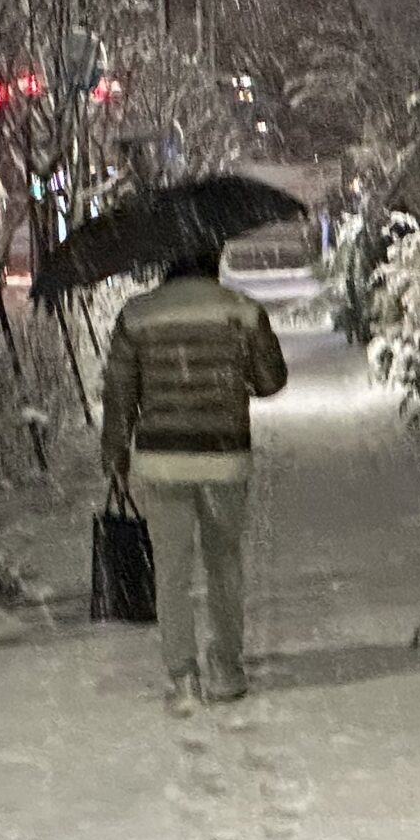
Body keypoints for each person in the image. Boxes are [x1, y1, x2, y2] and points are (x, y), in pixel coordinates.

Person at [100, 243, 290, 712]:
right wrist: (234, 372)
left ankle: (183, 676)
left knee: (171, 569)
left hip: (162, 460)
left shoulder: (137, 315)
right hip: (224, 456)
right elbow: (271, 381)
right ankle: (226, 668)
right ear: (213, 260)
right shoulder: (241, 311)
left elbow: (119, 393)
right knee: (223, 563)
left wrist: (115, 455)